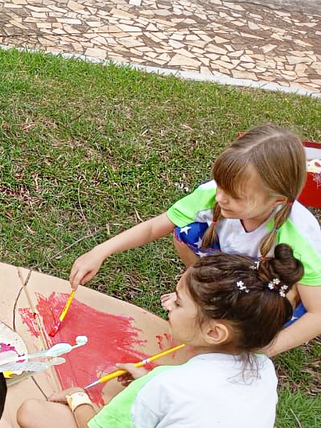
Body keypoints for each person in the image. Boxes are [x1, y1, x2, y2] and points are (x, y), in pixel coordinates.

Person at [18, 246, 302, 428]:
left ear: (215, 332)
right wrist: (145, 387)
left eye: (178, 304)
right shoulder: (263, 370)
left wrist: (77, 398)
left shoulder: (165, 385)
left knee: (33, 412)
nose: (167, 305)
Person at [69, 124, 320, 356]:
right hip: (237, 266)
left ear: (277, 201)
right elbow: (154, 227)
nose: (220, 197)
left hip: (270, 284)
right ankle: (198, 296)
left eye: (235, 195)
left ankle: (248, 319)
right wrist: (100, 251)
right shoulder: (213, 195)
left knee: (259, 320)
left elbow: (317, 314)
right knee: (186, 229)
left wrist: (264, 349)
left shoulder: (298, 238)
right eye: (220, 185)